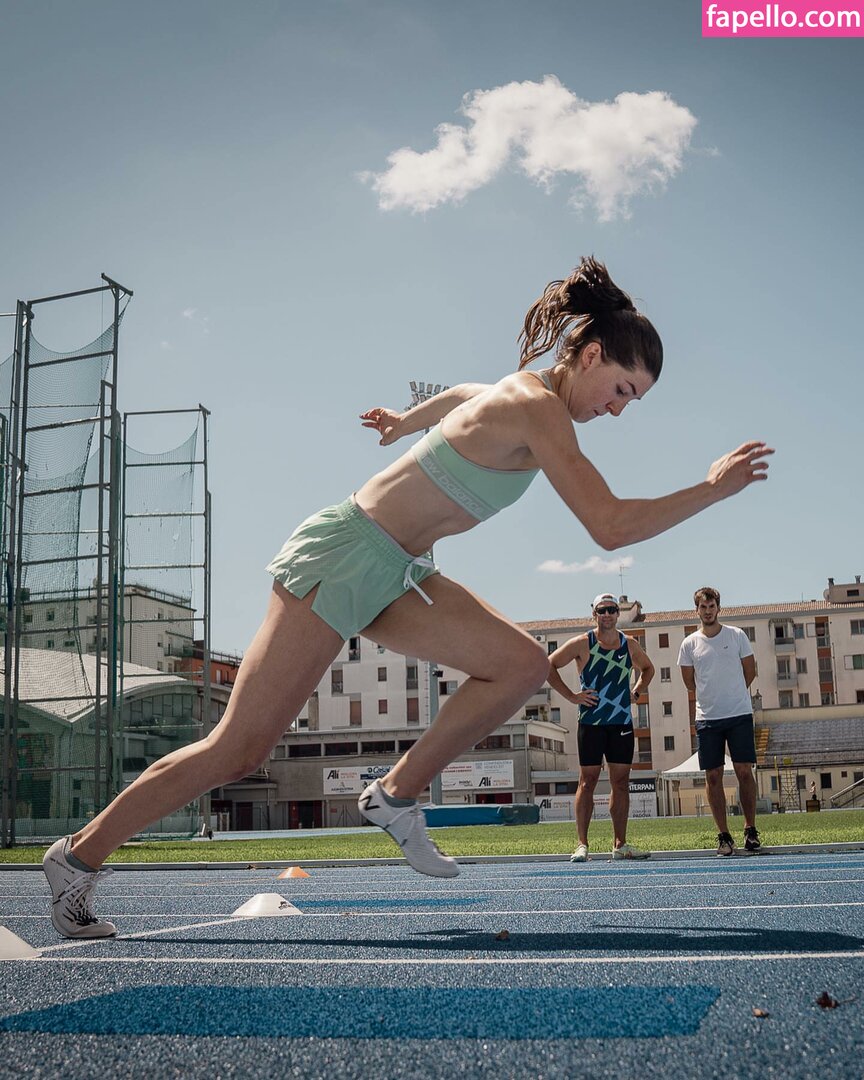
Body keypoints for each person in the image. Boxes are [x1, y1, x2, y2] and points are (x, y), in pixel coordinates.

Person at [43, 256, 773, 938]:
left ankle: (394, 795)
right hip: (344, 555)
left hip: (399, 571)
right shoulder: (536, 406)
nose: (619, 409)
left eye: (632, 401)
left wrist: (404, 422)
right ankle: (76, 857)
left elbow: (461, 396)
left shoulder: (517, 393)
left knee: (519, 666)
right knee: (239, 749)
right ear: (590, 356)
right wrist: (713, 490)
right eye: (621, 390)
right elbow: (609, 525)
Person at [547, 593, 655, 862]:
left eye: (612, 610)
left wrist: (636, 691)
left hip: (621, 723)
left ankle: (620, 844)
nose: (607, 614)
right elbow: (548, 665)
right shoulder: (582, 643)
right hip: (591, 723)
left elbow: (648, 669)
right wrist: (572, 696)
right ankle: (582, 845)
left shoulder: (629, 644)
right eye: (602, 610)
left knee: (621, 783)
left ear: (618, 613)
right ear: (594, 614)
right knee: (587, 782)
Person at [677, 586, 762, 856]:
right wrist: (712, 696)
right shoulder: (689, 644)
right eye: (703, 607)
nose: (708, 611)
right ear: (697, 610)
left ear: (718, 608)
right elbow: (689, 682)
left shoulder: (736, 636)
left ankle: (750, 830)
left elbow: (750, 671)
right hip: (708, 719)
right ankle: (724, 836)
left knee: (744, 771)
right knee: (713, 776)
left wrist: (733, 693)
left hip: (739, 714)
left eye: (711, 606)